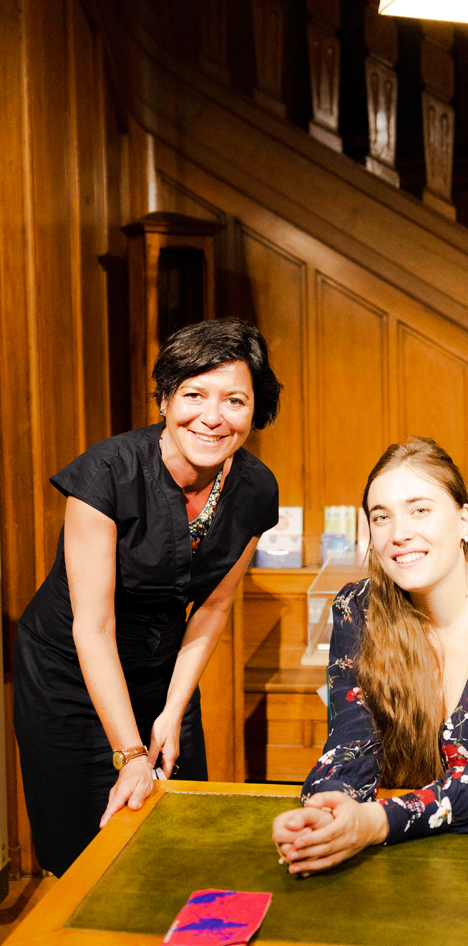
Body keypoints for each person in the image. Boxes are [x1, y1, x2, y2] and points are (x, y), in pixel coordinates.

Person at [15, 317, 281, 876]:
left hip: (163, 669)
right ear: (164, 399)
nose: (212, 416)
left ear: (255, 410)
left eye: (235, 400)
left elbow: (213, 607)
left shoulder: (256, 489)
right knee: (86, 850)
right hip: (71, 671)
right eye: (194, 395)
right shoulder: (106, 474)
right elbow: (93, 628)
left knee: (177, 841)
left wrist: (173, 709)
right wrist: (131, 752)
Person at [273, 437, 468, 875]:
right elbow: (351, 745)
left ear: (464, 520)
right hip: (409, 855)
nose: (398, 533)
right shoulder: (358, 608)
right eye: (381, 516)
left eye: (420, 510)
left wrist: (375, 822)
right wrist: (327, 810)